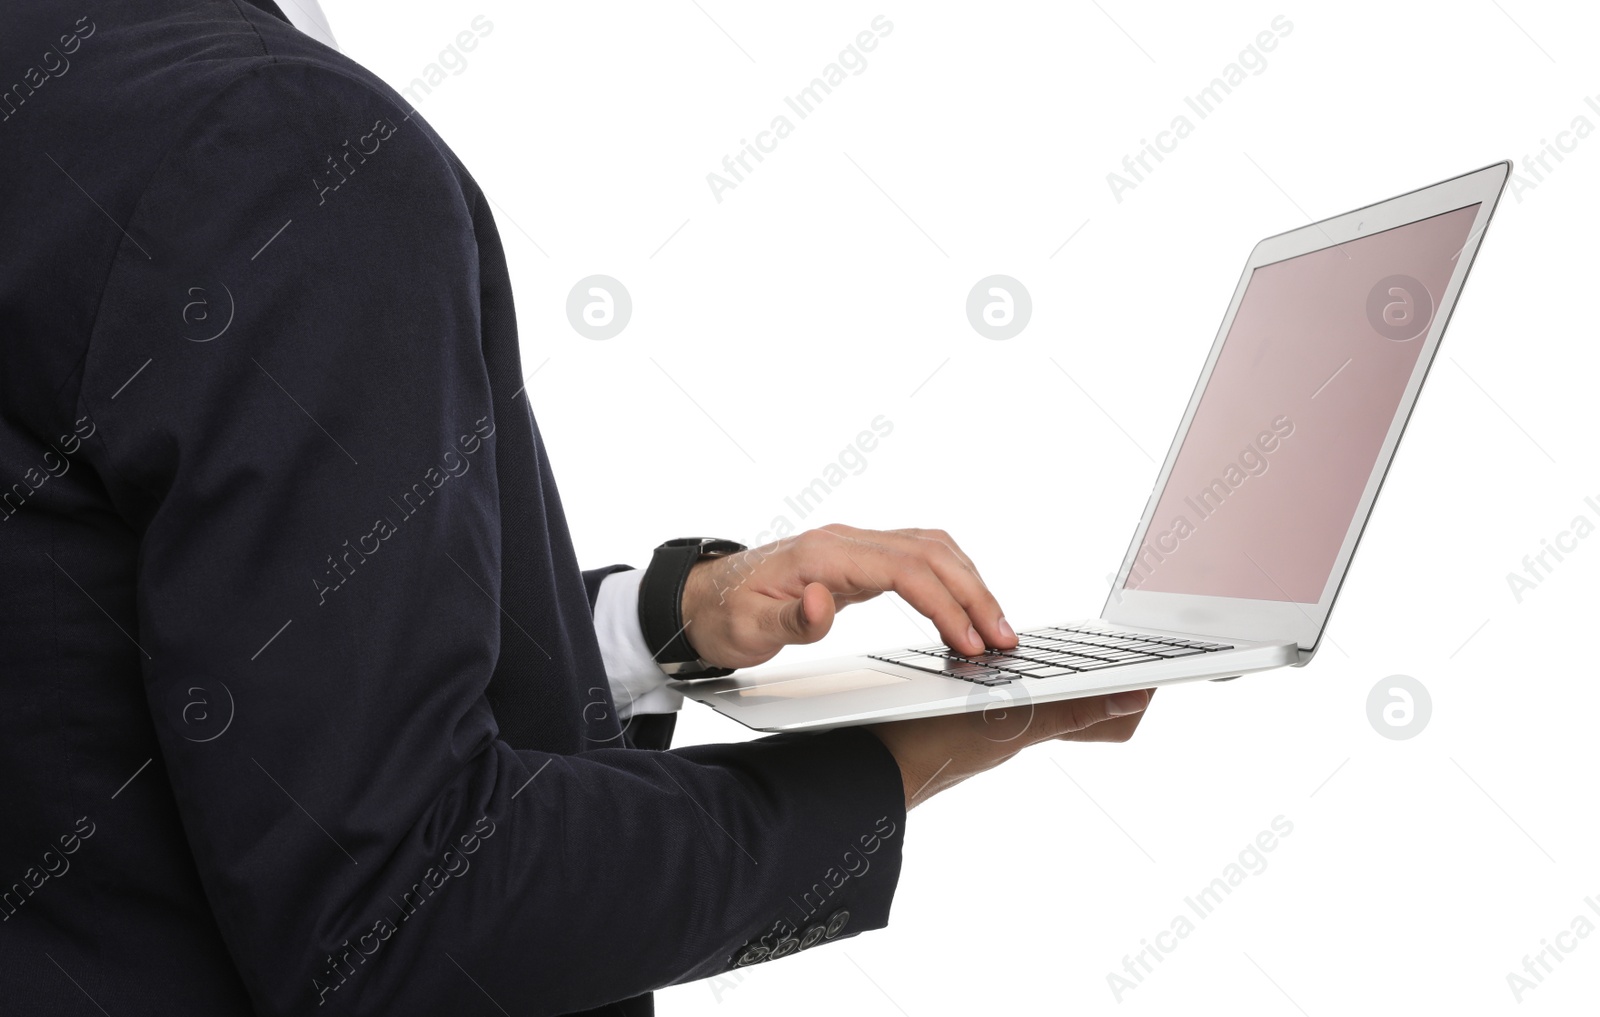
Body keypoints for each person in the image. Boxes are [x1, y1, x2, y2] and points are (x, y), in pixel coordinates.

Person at [0, 2, 1152, 1014]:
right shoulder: (276, 137)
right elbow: (403, 913)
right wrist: (902, 760)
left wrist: (663, 622)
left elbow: (112, 674)